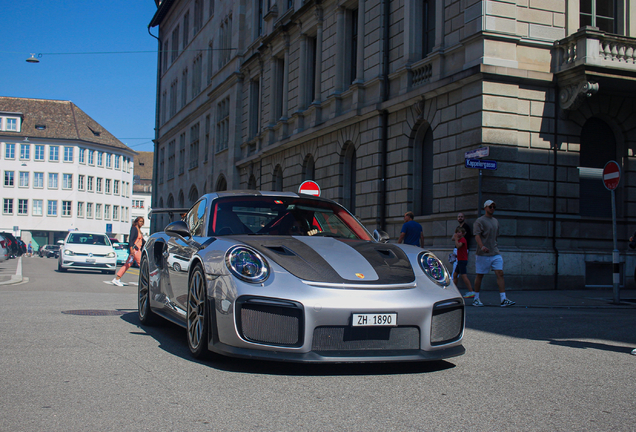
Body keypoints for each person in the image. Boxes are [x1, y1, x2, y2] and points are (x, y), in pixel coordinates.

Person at [472, 200, 515, 307]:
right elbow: (477, 235)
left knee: (500, 273)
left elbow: (495, 236)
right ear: (485, 208)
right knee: (480, 275)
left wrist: (493, 246)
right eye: (490, 206)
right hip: (482, 254)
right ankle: (476, 298)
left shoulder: (495, 221)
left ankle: (503, 299)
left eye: (494, 207)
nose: (492, 208)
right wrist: (482, 246)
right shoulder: (479, 221)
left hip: (495, 252)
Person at [112, 217, 145, 286]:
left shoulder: (138, 230)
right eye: (140, 221)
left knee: (127, 264)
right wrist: (131, 250)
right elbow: (131, 240)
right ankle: (145, 281)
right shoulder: (134, 228)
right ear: (137, 222)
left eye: (142, 222)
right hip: (135, 250)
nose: (141, 223)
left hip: (137, 250)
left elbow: (142, 241)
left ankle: (117, 279)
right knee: (142, 265)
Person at [452, 226, 473, 296]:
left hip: (462, 260)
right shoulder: (459, 239)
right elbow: (452, 238)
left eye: (459, 232)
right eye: (457, 232)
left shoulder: (463, 240)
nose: (457, 233)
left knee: (464, 276)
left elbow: (458, 246)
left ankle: (471, 291)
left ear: (463, 233)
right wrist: (455, 237)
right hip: (460, 260)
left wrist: (456, 239)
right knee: (455, 275)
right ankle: (454, 290)